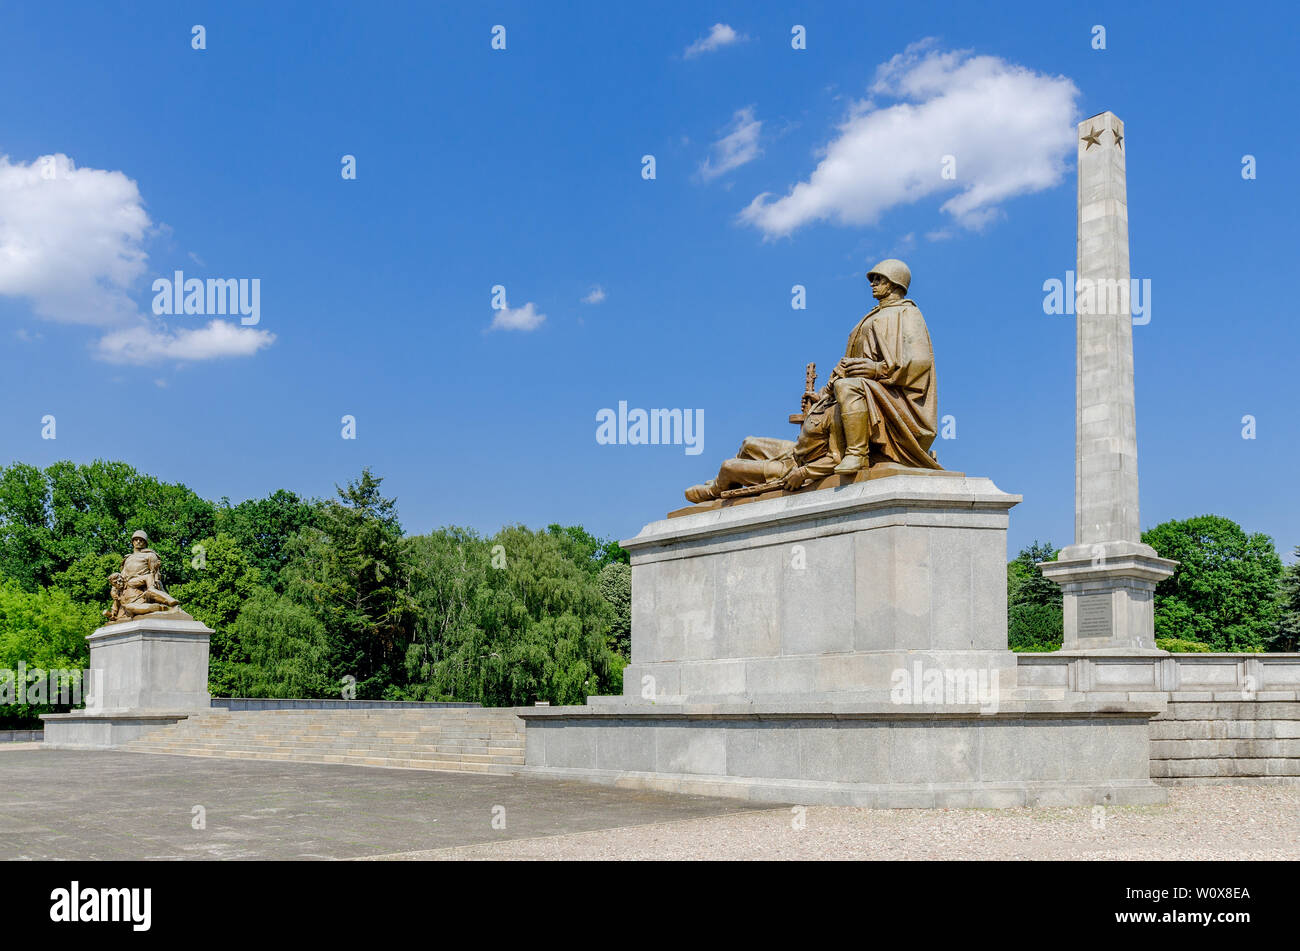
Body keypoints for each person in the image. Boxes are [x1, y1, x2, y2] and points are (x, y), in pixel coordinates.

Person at [823, 259, 942, 474]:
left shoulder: (908, 313)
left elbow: (920, 360)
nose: (873, 283)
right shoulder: (869, 317)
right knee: (823, 410)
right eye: (873, 279)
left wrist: (878, 370)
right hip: (863, 388)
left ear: (895, 282)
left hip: (895, 394)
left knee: (848, 388)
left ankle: (857, 454)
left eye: (879, 279)